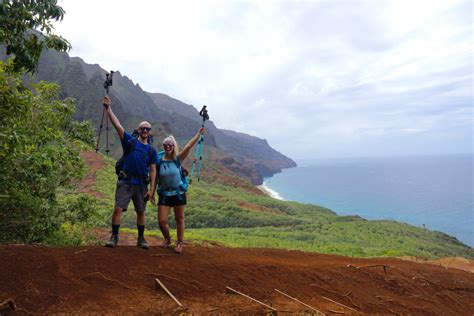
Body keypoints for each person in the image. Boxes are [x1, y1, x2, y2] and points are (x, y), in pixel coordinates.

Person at [102, 96, 157, 249]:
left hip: (141, 184)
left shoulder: (151, 150)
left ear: (149, 132)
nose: (145, 130)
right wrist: (108, 109)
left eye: (147, 129)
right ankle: (114, 237)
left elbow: (153, 169)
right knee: (118, 208)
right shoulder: (130, 142)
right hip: (126, 182)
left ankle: (141, 239)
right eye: (142, 128)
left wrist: (152, 189)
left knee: (141, 212)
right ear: (138, 130)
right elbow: (118, 126)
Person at [155, 128, 205, 253]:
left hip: (178, 193)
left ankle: (179, 243)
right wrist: (151, 190)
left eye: (170, 145)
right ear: (163, 146)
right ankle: (167, 239)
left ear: (173, 146)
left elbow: (188, 146)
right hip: (164, 194)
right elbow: (154, 176)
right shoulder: (159, 160)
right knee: (162, 221)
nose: (168, 147)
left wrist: (198, 134)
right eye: (165, 145)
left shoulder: (178, 159)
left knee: (179, 219)